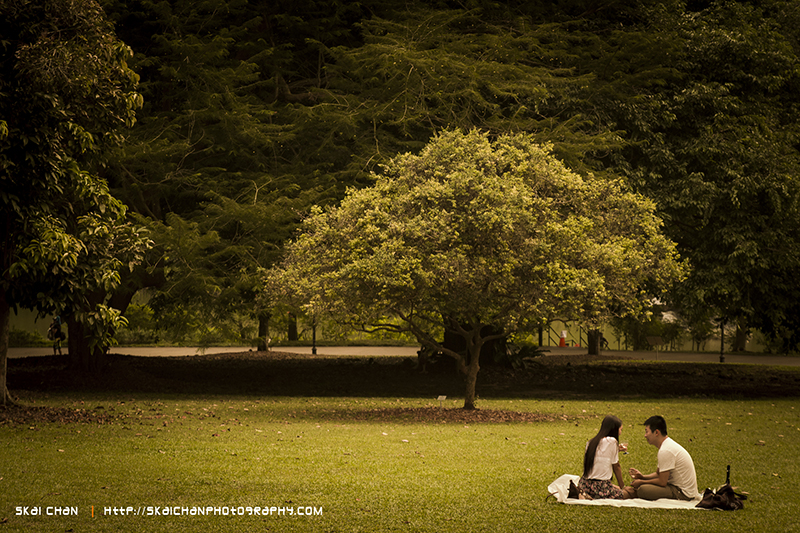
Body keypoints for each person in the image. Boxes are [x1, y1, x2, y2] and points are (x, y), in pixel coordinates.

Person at [629, 415, 699, 501]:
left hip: (682, 493)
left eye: (647, 432)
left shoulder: (666, 450)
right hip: (677, 488)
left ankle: (632, 493)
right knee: (643, 488)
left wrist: (642, 482)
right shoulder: (666, 446)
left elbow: (662, 482)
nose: (645, 435)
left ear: (656, 432)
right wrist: (643, 477)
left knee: (643, 490)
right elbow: (658, 474)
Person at [577, 415, 631, 499]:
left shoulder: (591, 442)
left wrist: (617, 449)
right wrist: (622, 486)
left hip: (585, 485)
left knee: (614, 487)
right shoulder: (612, 441)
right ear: (614, 429)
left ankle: (585, 494)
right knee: (630, 493)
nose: (620, 432)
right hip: (600, 486)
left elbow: (600, 455)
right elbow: (616, 466)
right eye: (620, 429)